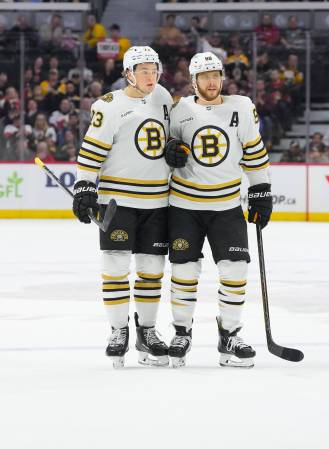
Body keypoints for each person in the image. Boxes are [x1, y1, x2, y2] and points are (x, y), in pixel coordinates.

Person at [164, 52, 272, 368]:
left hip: (226, 205)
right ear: (193, 80)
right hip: (185, 205)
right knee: (184, 271)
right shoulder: (180, 109)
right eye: (204, 76)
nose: (211, 82)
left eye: (216, 75)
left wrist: (261, 191)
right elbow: (167, 149)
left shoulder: (241, 106)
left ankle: (230, 335)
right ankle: (181, 333)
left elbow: (254, 151)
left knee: (235, 269)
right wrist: (170, 151)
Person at [72, 46, 174, 368]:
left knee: (152, 270)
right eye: (142, 70)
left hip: (157, 200)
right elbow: (92, 150)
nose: (149, 75)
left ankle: (147, 331)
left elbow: (172, 139)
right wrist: (85, 185)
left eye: (153, 69)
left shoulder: (164, 98)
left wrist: (176, 150)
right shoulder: (109, 105)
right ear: (128, 73)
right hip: (117, 201)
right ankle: (118, 330)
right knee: (115, 267)